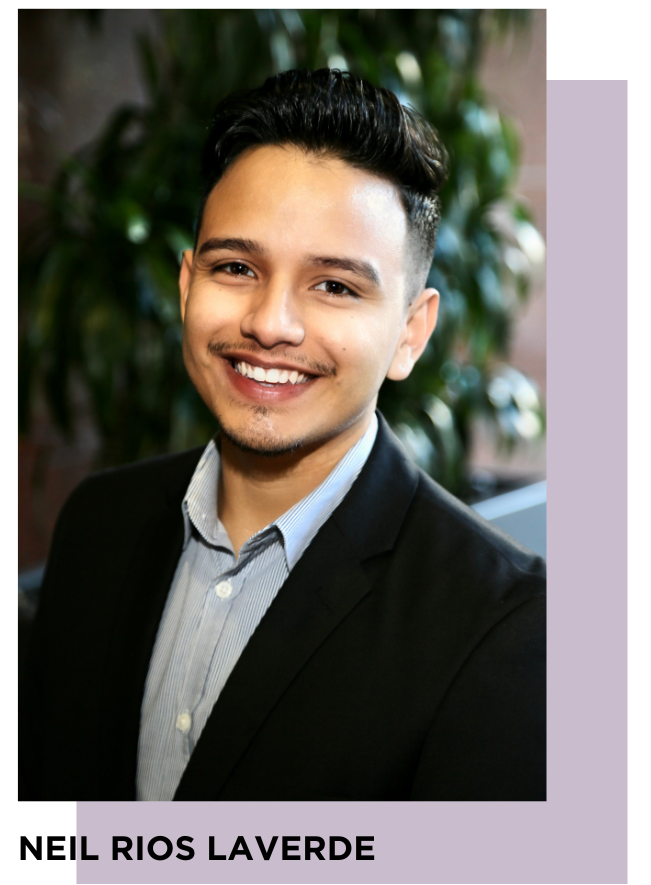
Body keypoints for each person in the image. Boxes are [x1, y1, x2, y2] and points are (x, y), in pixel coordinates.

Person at [19, 68, 545, 802]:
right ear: (186, 287)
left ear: (410, 332)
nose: (270, 324)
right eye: (236, 267)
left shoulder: (508, 626)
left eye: (334, 285)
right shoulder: (99, 523)